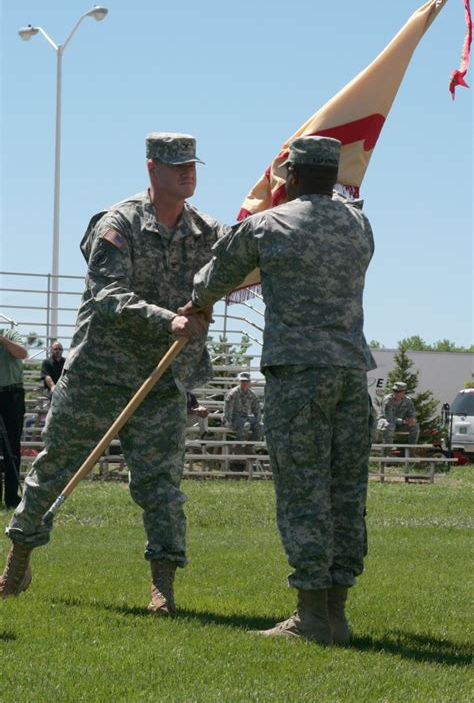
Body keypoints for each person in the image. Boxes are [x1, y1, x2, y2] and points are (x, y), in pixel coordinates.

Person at [0, 132, 227, 614]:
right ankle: (17, 562)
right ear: (152, 169)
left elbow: (242, 261)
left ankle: (162, 585)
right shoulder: (118, 223)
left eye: (192, 164)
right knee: (55, 467)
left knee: (160, 484)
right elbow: (107, 295)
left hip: (162, 379)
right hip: (99, 373)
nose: (188, 172)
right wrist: (171, 319)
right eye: (176, 165)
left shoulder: (207, 230)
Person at [181, 135, 376, 645]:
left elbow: (215, 277)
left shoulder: (268, 225)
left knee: (304, 493)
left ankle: (312, 619)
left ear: (287, 177)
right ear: (333, 176)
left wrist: (197, 301)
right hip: (352, 374)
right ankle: (337, 614)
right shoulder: (359, 224)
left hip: (299, 373)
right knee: (346, 491)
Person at [0, 329, 28, 509]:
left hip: (11, 395)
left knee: (12, 447)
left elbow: (22, 353)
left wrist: (1, 340)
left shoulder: (9, 334)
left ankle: (11, 497)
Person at [223, 372, 262, 441]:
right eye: (242, 381)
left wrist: (257, 421)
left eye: (246, 381)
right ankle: (239, 446)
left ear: (249, 382)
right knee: (245, 425)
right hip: (234, 417)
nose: (244, 383)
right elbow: (227, 409)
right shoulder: (233, 393)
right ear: (239, 381)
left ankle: (249, 446)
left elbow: (257, 409)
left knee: (260, 426)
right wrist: (228, 422)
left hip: (245, 416)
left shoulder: (252, 394)